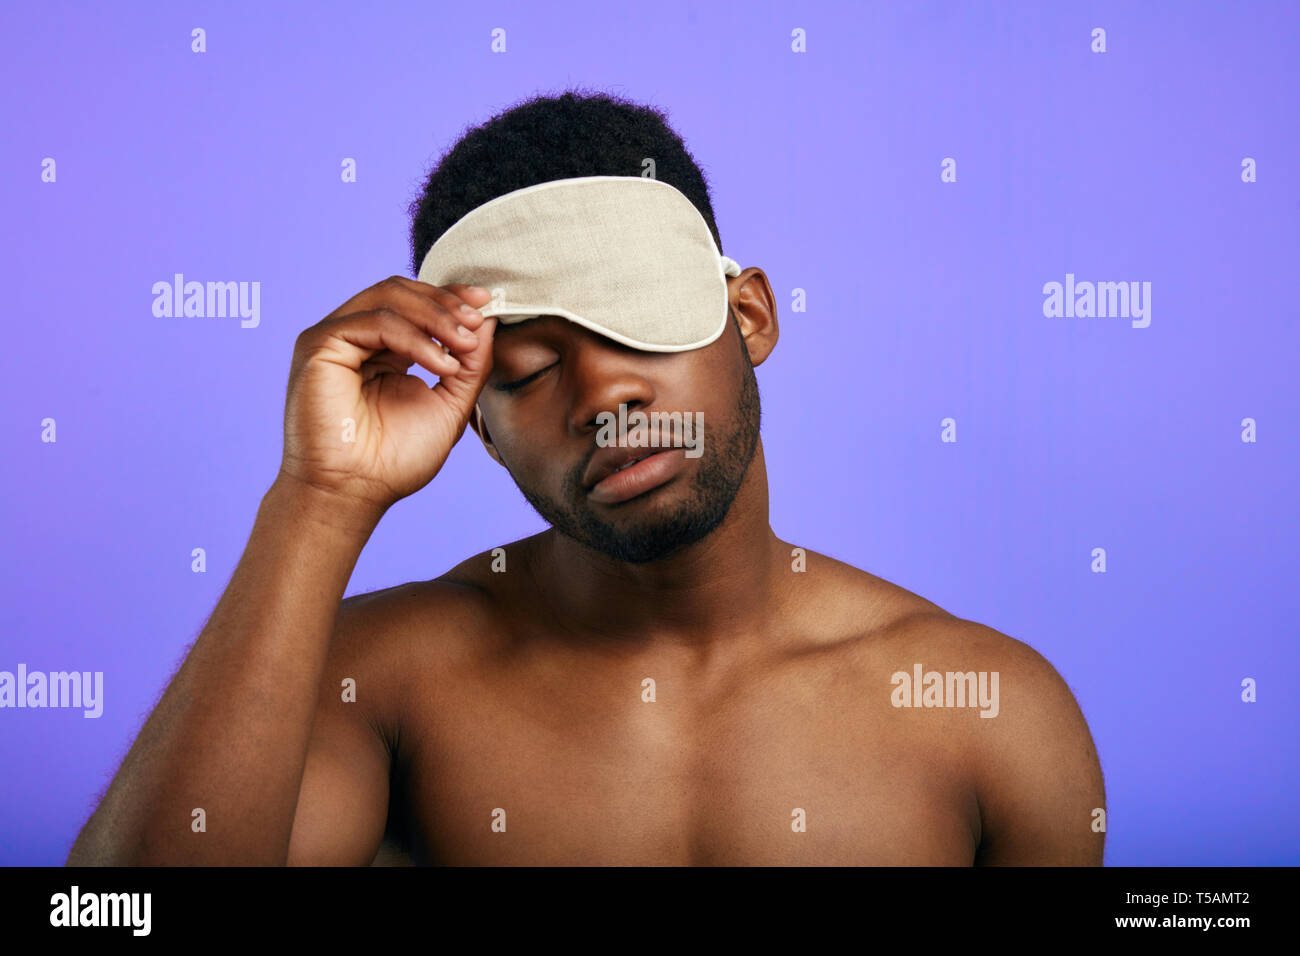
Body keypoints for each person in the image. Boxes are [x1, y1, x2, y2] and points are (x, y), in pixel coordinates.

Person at [68, 89, 1105, 866]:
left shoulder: (988, 711)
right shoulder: (383, 681)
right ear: (472, 420)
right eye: (525, 366)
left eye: (638, 323)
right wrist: (319, 497)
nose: (604, 394)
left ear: (747, 317)